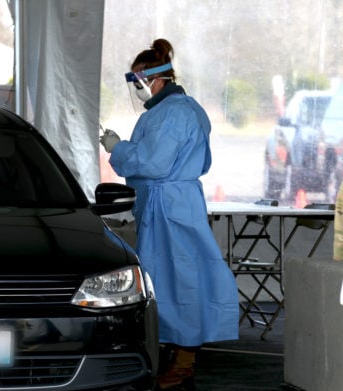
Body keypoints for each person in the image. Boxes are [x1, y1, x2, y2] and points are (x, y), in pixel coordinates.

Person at [99, 38, 239, 390]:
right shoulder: (173, 110)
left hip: (171, 207)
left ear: (155, 77)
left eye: (138, 81)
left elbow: (153, 163)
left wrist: (119, 149)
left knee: (182, 283)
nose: (136, 89)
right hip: (170, 205)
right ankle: (172, 353)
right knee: (168, 282)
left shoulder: (175, 112)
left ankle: (185, 360)